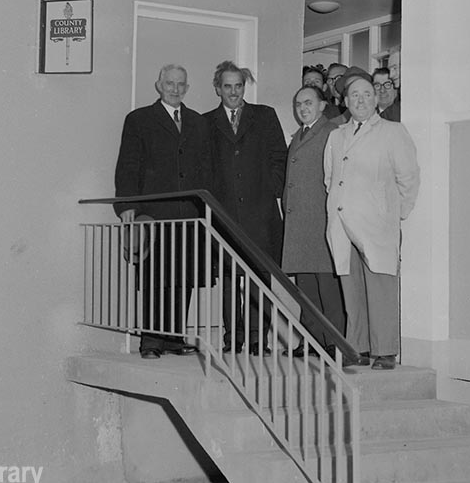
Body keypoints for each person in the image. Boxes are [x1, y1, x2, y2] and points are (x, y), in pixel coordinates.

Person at [324, 68, 420, 371]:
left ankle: (385, 351)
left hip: (376, 224)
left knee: (380, 285)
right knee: (351, 289)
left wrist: (394, 212)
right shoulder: (336, 136)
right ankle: (359, 348)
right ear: (345, 102)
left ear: (376, 98)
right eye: (354, 95)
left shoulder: (392, 132)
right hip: (342, 223)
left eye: (367, 93)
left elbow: (409, 178)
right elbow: (330, 178)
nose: (361, 99)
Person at [114, 64, 210, 359]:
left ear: (187, 88)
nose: (175, 88)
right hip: (154, 215)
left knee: (183, 278)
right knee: (156, 278)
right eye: (170, 83)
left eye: (181, 84)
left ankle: (174, 338)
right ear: (159, 85)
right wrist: (128, 205)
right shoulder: (139, 119)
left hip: (189, 215)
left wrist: (207, 210)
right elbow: (128, 165)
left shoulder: (198, 122)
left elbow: (207, 169)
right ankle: (152, 341)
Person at [203, 60, 287, 355]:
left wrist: (269, 190)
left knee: (259, 280)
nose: (234, 92)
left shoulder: (264, 116)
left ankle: (256, 340)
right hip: (224, 216)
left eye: (239, 86)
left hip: (260, 215)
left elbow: (280, 157)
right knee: (228, 279)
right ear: (218, 89)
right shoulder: (205, 122)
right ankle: (232, 339)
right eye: (228, 86)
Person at [281, 86, 344, 357]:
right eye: (298, 104)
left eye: (308, 103)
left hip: (320, 220)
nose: (303, 108)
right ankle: (311, 340)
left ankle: (333, 342)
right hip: (300, 223)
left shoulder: (331, 132)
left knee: (326, 287)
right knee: (306, 287)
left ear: (322, 106)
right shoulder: (299, 135)